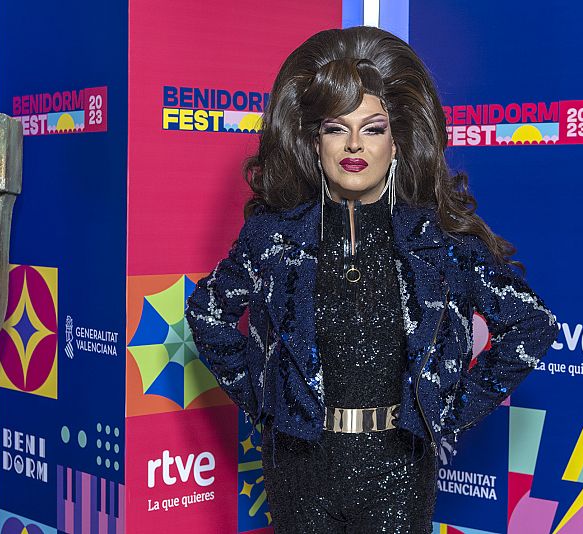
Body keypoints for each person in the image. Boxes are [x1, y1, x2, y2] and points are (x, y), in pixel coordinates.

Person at [185, 26, 557, 533]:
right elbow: (206, 314)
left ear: (397, 142)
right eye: (336, 128)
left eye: (373, 128)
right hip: (300, 471)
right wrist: (269, 399)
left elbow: (531, 324)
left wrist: (445, 407)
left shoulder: (438, 241)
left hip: (400, 472)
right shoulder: (275, 237)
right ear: (314, 143)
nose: (354, 144)